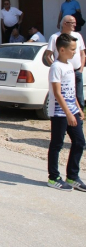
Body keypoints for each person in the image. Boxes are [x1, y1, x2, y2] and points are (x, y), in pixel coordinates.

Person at [46, 33, 86, 191]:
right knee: (57, 144)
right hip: (59, 113)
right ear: (62, 50)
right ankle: (53, 177)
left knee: (80, 142)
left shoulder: (70, 65)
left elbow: (72, 90)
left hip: (72, 110)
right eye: (72, 49)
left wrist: (77, 108)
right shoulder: (56, 67)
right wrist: (68, 113)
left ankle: (72, 176)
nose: (75, 52)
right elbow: (57, 93)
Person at [45, 15, 86, 109]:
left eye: (75, 23)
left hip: (77, 70)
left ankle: (79, 116)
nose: (75, 25)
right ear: (64, 23)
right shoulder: (55, 37)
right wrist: (57, 68)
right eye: (72, 23)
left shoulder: (78, 36)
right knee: (64, 96)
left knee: (79, 96)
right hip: (63, 73)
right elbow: (48, 55)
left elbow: (82, 54)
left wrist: (81, 69)